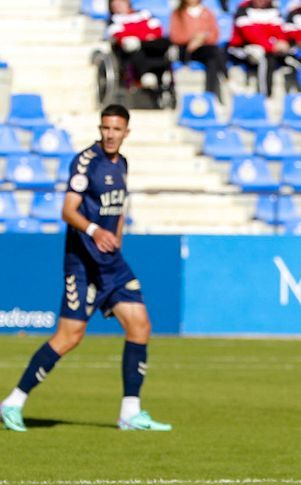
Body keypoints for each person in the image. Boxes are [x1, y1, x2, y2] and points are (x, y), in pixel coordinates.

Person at [1, 105, 171, 433]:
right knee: (69, 337)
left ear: (126, 133)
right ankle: (14, 401)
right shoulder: (85, 162)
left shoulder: (122, 163)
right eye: (105, 128)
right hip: (82, 264)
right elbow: (68, 210)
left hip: (111, 264)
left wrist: (116, 238)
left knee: (140, 326)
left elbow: (119, 207)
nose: (110, 134)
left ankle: (130, 412)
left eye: (116, 129)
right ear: (100, 128)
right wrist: (95, 231)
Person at [107, 0, 175, 107]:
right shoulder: (114, 20)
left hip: (151, 46)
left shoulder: (144, 14)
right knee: (133, 46)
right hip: (133, 52)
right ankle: (145, 74)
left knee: (165, 42)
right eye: (115, 5)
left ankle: (165, 76)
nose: (118, 6)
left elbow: (157, 29)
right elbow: (120, 36)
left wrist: (140, 38)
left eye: (121, 3)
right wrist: (144, 35)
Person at [228, 0, 298, 97]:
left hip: (269, 47)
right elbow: (251, 34)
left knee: (293, 57)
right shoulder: (243, 9)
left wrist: (282, 43)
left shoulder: (274, 10)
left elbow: (279, 31)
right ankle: (265, 95)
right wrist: (272, 46)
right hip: (242, 48)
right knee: (263, 56)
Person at [170, 0, 227, 102]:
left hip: (205, 48)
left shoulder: (207, 12)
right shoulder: (178, 13)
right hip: (186, 50)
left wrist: (202, 38)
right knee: (215, 53)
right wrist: (193, 39)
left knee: (212, 59)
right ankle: (226, 77)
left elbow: (215, 35)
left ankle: (209, 95)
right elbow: (175, 36)